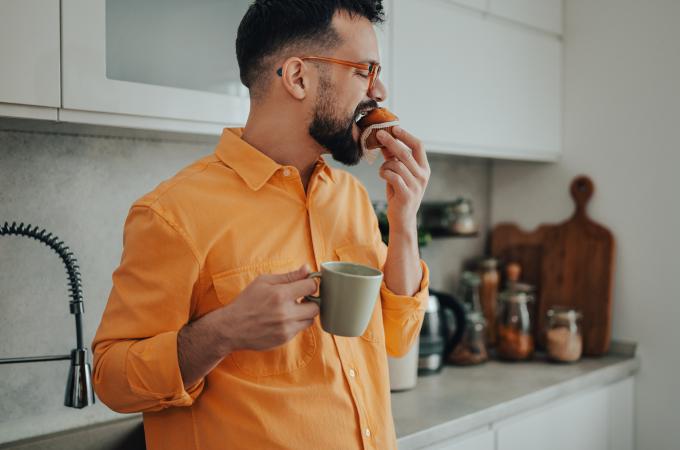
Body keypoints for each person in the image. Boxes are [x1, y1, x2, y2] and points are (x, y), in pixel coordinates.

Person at [91, 1, 430, 448]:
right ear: (298, 77)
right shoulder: (173, 213)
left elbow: (397, 337)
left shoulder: (349, 197)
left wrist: (404, 222)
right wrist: (223, 332)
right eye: (364, 71)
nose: (380, 90)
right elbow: (112, 381)